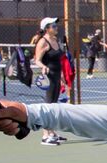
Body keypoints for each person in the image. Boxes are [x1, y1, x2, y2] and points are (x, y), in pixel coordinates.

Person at [35, 17, 68, 146]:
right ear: (46, 29)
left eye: (56, 25)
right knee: (48, 105)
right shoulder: (42, 42)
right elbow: (37, 59)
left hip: (56, 76)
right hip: (48, 77)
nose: (56, 27)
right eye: (53, 26)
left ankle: (52, 133)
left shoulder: (55, 40)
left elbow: (58, 61)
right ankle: (45, 135)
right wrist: (43, 66)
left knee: (53, 105)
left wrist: (61, 77)